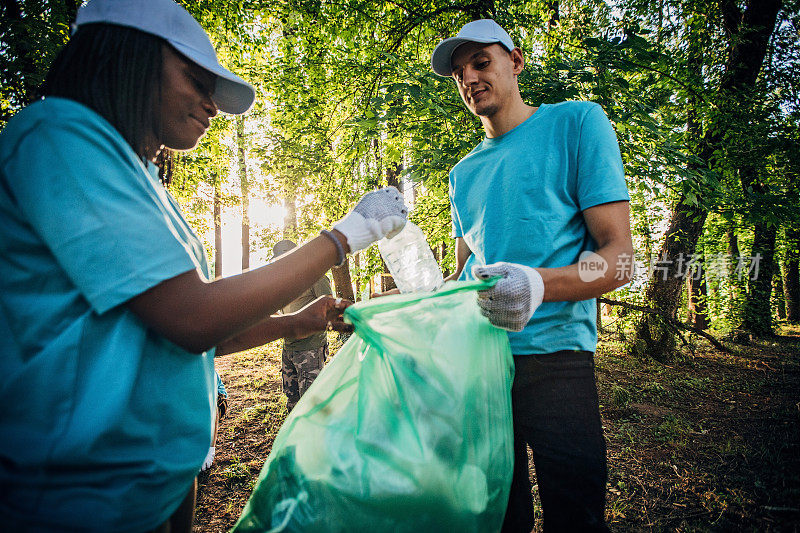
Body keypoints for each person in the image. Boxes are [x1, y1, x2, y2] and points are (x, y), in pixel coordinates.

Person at [0, 0, 407, 531]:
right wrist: (346, 235)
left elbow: (175, 332)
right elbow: (192, 318)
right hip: (78, 500)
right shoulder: (58, 137)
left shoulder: (139, 176)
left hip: (155, 487)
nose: (211, 105)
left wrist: (294, 322)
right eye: (197, 80)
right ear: (131, 57)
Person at [430, 19, 634, 532]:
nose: (470, 78)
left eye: (482, 62)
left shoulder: (577, 124)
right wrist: (405, 307)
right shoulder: (463, 175)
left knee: (576, 517)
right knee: (499, 518)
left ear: (516, 62)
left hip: (557, 361)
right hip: (480, 370)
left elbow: (619, 257)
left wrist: (539, 284)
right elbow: (464, 280)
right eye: (459, 73)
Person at [271, 239, 334, 412]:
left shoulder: (316, 277)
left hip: (311, 349)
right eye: (278, 260)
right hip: (289, 348)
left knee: (311, 401)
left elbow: (330, 309)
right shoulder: (283, 282)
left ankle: (315, 437)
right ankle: (294, 436)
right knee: (292, 399)